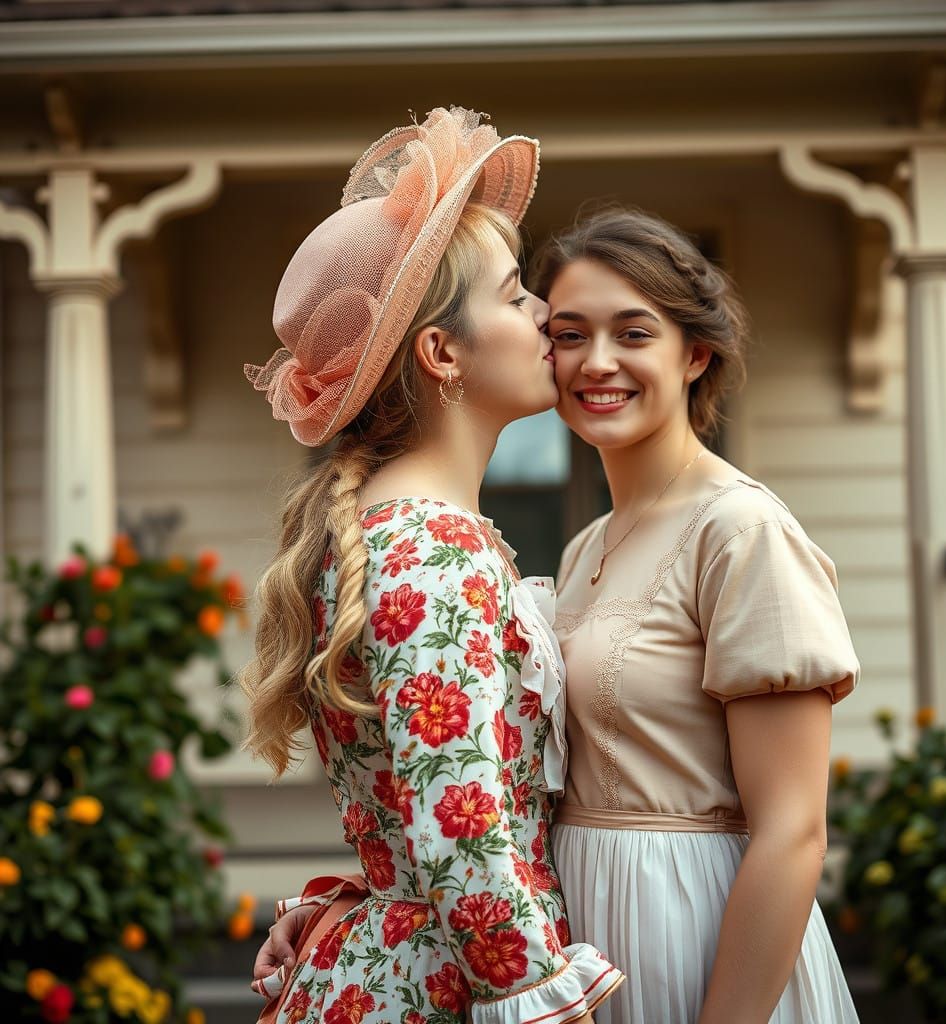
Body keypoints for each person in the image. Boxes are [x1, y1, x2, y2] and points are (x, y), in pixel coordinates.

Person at [241, 108, 623, 1024]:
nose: (545, 315)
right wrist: (539, 996)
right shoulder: (431, 545)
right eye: (513, 293)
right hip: (450, 983)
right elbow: (460, 823)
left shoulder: (402, 530)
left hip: (411, 960)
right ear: (442, 352)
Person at [531, 206, 861, 1023]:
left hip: (698, 934)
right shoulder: (584, 550)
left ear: (695, 354)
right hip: (587, 946)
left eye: (634, 333)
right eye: (569, 335)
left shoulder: (741, 531)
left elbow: (794, 832)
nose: (596, 362)